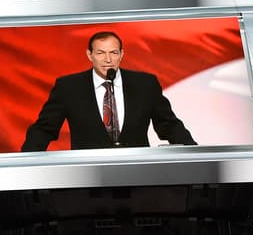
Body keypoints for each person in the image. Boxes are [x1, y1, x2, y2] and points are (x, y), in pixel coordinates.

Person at [21, 31, 197, 152]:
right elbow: (44, 129)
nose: (108, 60)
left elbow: (169, 125)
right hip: (87, 176)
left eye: (113, 53)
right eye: (100, 53)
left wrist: (194, 153)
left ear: (121, 54)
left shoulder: (145, 84)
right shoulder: (69, 87)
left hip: (137, 174)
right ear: (89, 55)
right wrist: (27, 160)